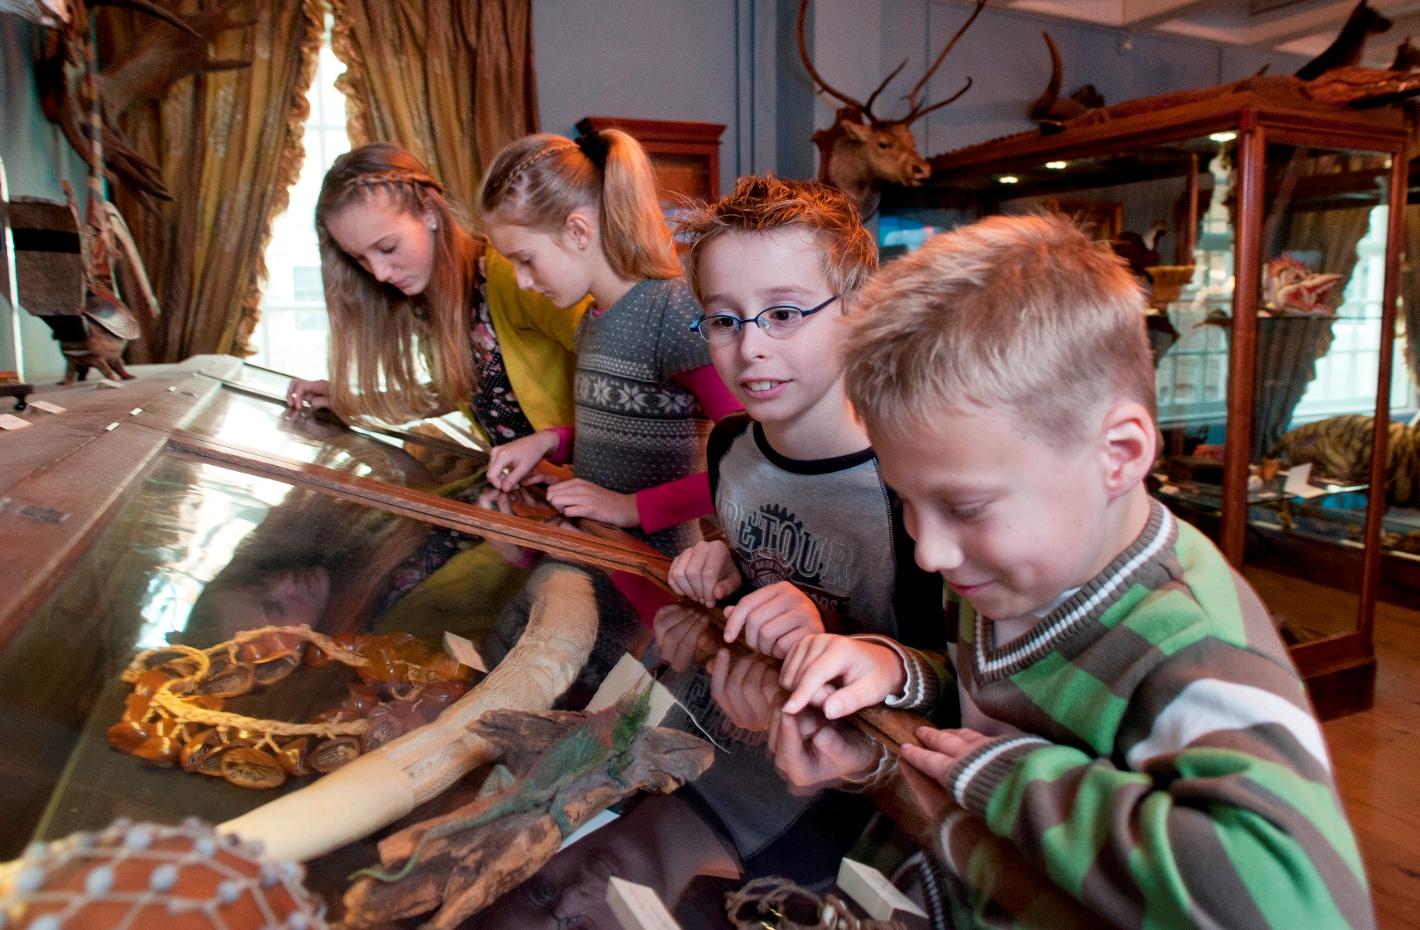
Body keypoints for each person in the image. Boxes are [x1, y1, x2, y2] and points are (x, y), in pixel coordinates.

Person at [778, 213, 1376, 929]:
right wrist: (900, 675)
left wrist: (1010, 781)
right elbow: (1000, 708)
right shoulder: (1003, 566)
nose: (930, 551)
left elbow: (1292, 899)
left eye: (965, 506)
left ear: (1119, 454)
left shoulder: (1194, 646)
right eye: (906, 501)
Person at [478, 129, 740, 556]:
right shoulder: (589, 321)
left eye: (526, 260)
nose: (523, 283)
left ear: (579, 231)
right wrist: (552, 443)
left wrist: (631, 507)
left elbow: (750, 463)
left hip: (659, 566)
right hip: (603, 554)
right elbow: (627, 429)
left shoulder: (670, 311)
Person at [286, 142, 583, 449]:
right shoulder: (427, 298)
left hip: (594, 481)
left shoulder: (513, 276)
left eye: (387, 248)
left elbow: (624, 360)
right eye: (359, 258)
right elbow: (460, 391)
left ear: (429, 212)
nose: (379, 273)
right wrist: (352, 402)